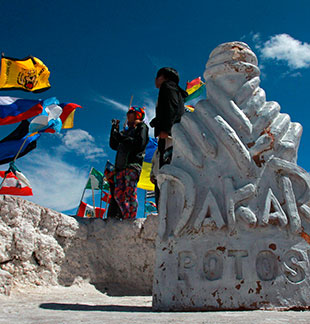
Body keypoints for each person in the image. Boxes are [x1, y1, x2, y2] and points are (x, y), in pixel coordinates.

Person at [150, 67, 188, 205]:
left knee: (166, 172)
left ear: (163, 77)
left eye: (157, 76)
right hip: (174, 136)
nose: (155, 80)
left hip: (169, 137)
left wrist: (166, 129)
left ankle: (166, 208)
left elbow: (170, 108)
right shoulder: (177, 91)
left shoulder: (168, 87)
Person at [109, 106, 149, 219]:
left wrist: (122, 138)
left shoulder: (142, 127)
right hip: (120, 167)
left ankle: (131, 217)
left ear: (138, 115)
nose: (127, 115)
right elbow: (113, 145)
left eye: (130, 113)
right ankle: (126, 215)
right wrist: (114, 130)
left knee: (130, 192)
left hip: (132, 165)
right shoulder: (126, 131)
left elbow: (140, 143)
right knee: (118, 195)